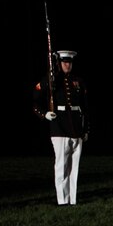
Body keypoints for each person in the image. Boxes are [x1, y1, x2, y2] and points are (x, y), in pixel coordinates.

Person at [33, 50, 90, 206]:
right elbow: (35, 101)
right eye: (64, 62)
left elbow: (85, 107)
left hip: (76, 127)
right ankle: (62, 199)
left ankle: (72, 199)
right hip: (59, 126)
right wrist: (44, 114)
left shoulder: (78, 81)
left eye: (70, 62)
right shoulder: (52, 80)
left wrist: (86, 129)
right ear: (59, 64)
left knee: (74, 166)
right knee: (61, 166)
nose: (67, 65)